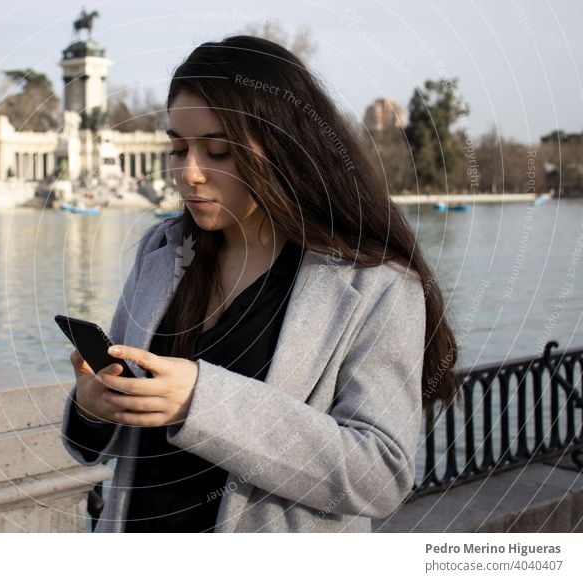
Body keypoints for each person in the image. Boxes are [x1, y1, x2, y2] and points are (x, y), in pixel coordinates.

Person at [61, 35, 458, 533]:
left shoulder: (376, 285)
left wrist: (202, 402)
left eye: (219, 151)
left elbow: (379, 475)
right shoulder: (162, 252)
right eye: (178, 148)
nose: (190, 173)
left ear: (285, 149)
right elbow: (120, 429)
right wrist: (94, 407)